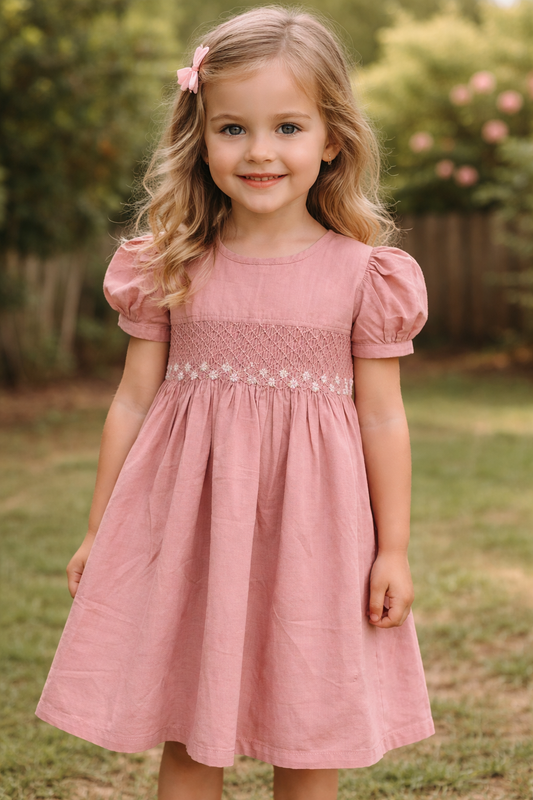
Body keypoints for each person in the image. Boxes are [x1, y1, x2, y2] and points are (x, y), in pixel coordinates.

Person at [36, 7, 435, 799]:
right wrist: (97, 528)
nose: (259, 151)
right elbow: (132, 399)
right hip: (190, 527)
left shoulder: (365, 276)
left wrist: (391, 548)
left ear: (330, 139)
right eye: (232, 129)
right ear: (200, 134)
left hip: (315, 534)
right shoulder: (171, 264)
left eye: (287, 127)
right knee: (190, 724)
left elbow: (383, 417)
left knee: (307, 728)